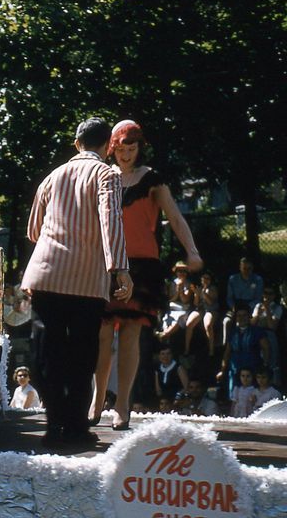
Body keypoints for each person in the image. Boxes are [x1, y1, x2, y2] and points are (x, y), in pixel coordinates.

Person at [21, 117, 133, 449]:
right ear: (108, 146)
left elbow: (32, 230)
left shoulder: (52, 177)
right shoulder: (107, 175)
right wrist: (120, 269)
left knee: (49, 353)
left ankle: (54, 424)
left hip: (46, 274)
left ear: (76, 143)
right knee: (83, 355)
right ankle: (76, 426)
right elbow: (110, 221)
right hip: (86, 280)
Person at [90, 120, 202, 431]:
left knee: (129, 333)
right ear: (112, 148)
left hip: (142, 266)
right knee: (100, 334)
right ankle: (97, 398)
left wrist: (192, 251)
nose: (126, 155)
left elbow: (176, 218)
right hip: (106, 263)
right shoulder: (102, 176)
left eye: (132, 149)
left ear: (140, 148)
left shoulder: (151, 179)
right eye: (121, 149)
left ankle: (122, 403)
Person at [216, 307, 270, 398]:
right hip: (235, 369)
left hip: (253, 367)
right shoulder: (233, 332)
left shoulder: (257, 331)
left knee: (253, 397)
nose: (241, 318)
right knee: (235, 397)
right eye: (239, 316)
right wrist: (222, 370)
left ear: (249, 316)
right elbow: (227, 351)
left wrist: (265, 365)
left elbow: (266, 348)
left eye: (244, 315)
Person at [156, 262, 202, 356]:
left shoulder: (189, 284)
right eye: (179, 271)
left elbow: (186, 300)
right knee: (167, 319)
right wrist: (177, 291)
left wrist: (181, 292)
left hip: (183, 309)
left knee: (178, 319)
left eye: (184, 271)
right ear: (176, 272)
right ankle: (165, 339)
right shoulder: (172, 283)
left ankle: (164, 335)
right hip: (172, 307)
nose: (182, 273)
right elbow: (170, 299)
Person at [222, 257, 263, 347]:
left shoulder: (258, 280)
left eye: (249, 268)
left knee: (253, 321)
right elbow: (229, 297)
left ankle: (250, 345)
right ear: (240, 267)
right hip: (236, 306)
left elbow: (258, 298)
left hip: (251, 306)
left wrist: (248, 307)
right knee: (226, 321)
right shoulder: (233, 279)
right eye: (244, 268)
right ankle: (226, 346)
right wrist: (233, 307)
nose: (247, 271)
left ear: (252, 268)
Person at [250, 285, 282, 387]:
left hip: (269, 334)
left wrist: (267, 309)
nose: (267, 296)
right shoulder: (258, 306)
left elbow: (272, 326)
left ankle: (274, 386)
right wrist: (258, 314)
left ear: (274, 296)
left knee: (272, 361)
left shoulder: (278, 308)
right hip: (257, 334)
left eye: (270, 293)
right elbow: (252, 323)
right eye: (265, 293)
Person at [195, 271, 220, 357]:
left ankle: (211, 350)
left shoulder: (213, 288)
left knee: (208, 325)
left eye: (207, 278)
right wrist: (197, 295)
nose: (205, 280)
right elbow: (196, 303)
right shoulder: (199, 288)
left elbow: (210, 303)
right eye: (204, 278)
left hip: (212, 311)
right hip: (202, 311)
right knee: (190, 323)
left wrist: (203, 293)